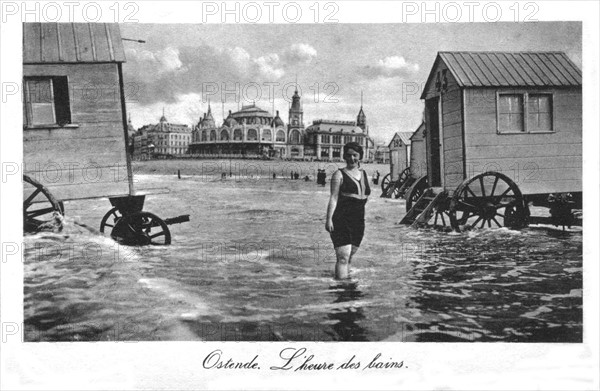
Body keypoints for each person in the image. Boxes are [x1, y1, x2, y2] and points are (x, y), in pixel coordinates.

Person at [325, 142, 370, 279]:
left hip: (358, 221)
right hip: (341, 220)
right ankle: (341, 289)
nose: (352, 158)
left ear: (360, 156)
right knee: (343, 258)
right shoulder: (338, 174)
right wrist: (329, 219)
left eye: (355, 155)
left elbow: (364, 197)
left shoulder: (364, 174)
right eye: (348, 155)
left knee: (350, 256)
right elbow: (333, 198)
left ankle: (346, 285)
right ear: (344, 156)